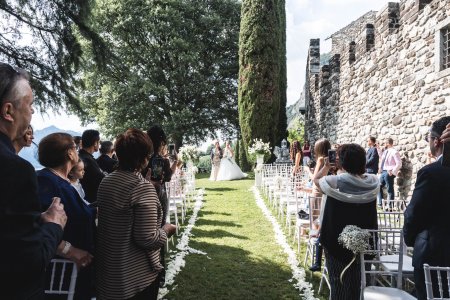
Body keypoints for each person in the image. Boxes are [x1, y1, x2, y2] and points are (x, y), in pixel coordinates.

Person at [0, 62, 67, 298]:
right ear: (8, 112)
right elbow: (29, 262)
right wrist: (53, 224)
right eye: (30, 105)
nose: (32, 113)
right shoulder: (15, 169)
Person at [96, 128, 177, 300]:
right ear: (144, 158)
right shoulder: (141, 187)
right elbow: (148, 239)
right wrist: (167, 230)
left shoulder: (107, 181)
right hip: (136, 278)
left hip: (109, 273)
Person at [314, 143, 379, 300]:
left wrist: (326, 167)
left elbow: (316, 181)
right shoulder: (372, 182)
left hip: (335, 241)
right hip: (365, 240)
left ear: (341, 162)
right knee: (358, 285)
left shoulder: (333, 182)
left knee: (339, 284)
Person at [37, 132, 97, 299]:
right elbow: (35, 224)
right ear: (70, 153)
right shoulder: (46, 181)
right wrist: (69, 250)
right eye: (75, 147)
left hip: (77, 272)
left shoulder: (62, 182)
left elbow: (75, 212)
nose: (78, 151)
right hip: (60, 276)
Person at [403, 116, 450, 300]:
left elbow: (414, 213)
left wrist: (411, 238)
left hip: (433, 253)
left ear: (437, 141)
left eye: (428, 138)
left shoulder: (431, 173)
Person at [79, 129, 105, 204]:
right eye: (99, 142)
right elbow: (101, 179)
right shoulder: (87, 160)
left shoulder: (81, 157)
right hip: (91, 202)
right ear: (95, 143)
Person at [377, 137, 402, 208]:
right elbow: (382, 157)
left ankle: (390, 206)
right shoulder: (385, 151)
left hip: (389, 172)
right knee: (378, 186)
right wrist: (378, 148)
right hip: (383, 171)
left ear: (388, 143)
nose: (384, 144)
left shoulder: (394, 152)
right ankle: (381, 204)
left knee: (389, 189)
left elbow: (399, 163)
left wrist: (393, 171)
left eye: (385, 143)